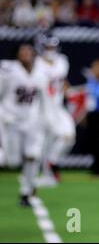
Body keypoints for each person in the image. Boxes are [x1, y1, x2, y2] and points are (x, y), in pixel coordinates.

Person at [0, 43, 55, 206]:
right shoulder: (8, 70)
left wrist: (49, 120)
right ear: (16, 54)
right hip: (11, 120)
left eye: (28, 52)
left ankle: (27, 192)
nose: (26, 55)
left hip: (32, 121)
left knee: (33, 156)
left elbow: (45, 98)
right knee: (12, 161)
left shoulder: (41, 73)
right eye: (22, 52)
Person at [35, 33, 76, 186]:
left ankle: (52, 164)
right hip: (42, 107)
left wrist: (70, 94)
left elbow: (62, 81)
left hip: (57, 106)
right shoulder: (36, 63)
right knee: (46, 141)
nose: (50, 49)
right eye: (47, 47)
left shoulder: (62, 61)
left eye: (52, 46)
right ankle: (47, 174)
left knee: (68, 137)